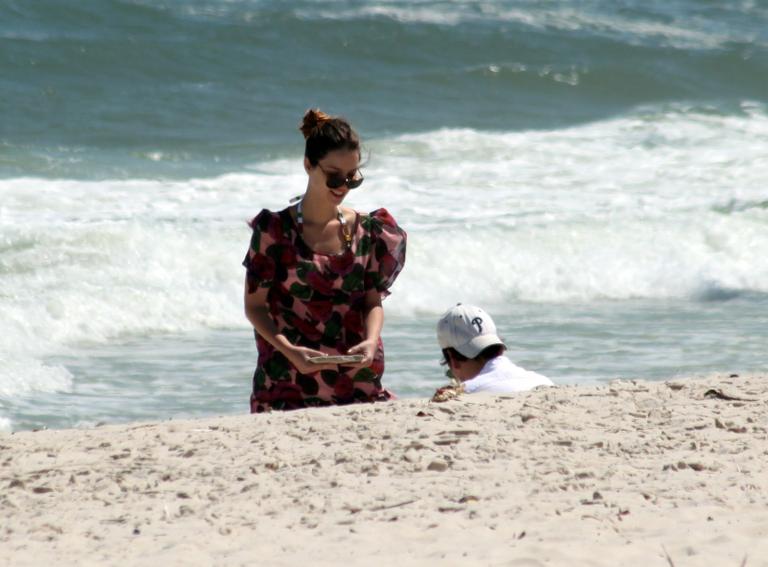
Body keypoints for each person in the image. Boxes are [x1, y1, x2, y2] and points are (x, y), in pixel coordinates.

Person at [243, 109, 407, 413]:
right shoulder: (274, 232)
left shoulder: (368, 230)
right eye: (333, 175)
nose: (342, 185)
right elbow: (254, 307)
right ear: (308, 165)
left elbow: (372, 302)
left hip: (356, 381)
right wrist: (290, 351)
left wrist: (371, 342)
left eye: (351, 177)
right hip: (287, 384)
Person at [436, 304, 553, 394]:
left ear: (453, 361)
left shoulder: (468, 393)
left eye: (450, 372)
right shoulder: (544, 382)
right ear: (500, 348)